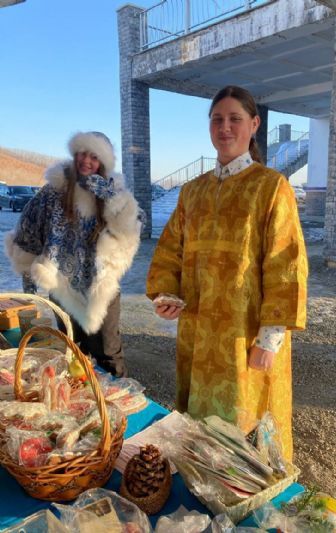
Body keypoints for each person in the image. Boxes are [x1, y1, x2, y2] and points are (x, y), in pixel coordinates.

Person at [146, 86, 308, 461]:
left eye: (235, 118)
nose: (225, 127)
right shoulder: (192, 191)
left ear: (254, 124)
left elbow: (286, 264)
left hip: (246, 334)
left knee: (246, 437)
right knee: (200, 433)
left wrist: (270, 339)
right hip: (199, 331)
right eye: (217, 119)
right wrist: (165, 294)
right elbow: (170, 250)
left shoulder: (271, 187)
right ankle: (201, 480)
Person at [5, 131, 143, 377]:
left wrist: (111, 199)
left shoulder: (115, 191)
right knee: (72, 350)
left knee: (108, 353)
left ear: (104, 162)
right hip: (63, 285)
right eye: (82, 154)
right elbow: (29, 227)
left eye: (94, 156)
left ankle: (114, 396)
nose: (86, 161)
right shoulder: (54, 191)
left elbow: (133, 230)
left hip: (102, 287)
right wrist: (28, 273)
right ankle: (82, 395)